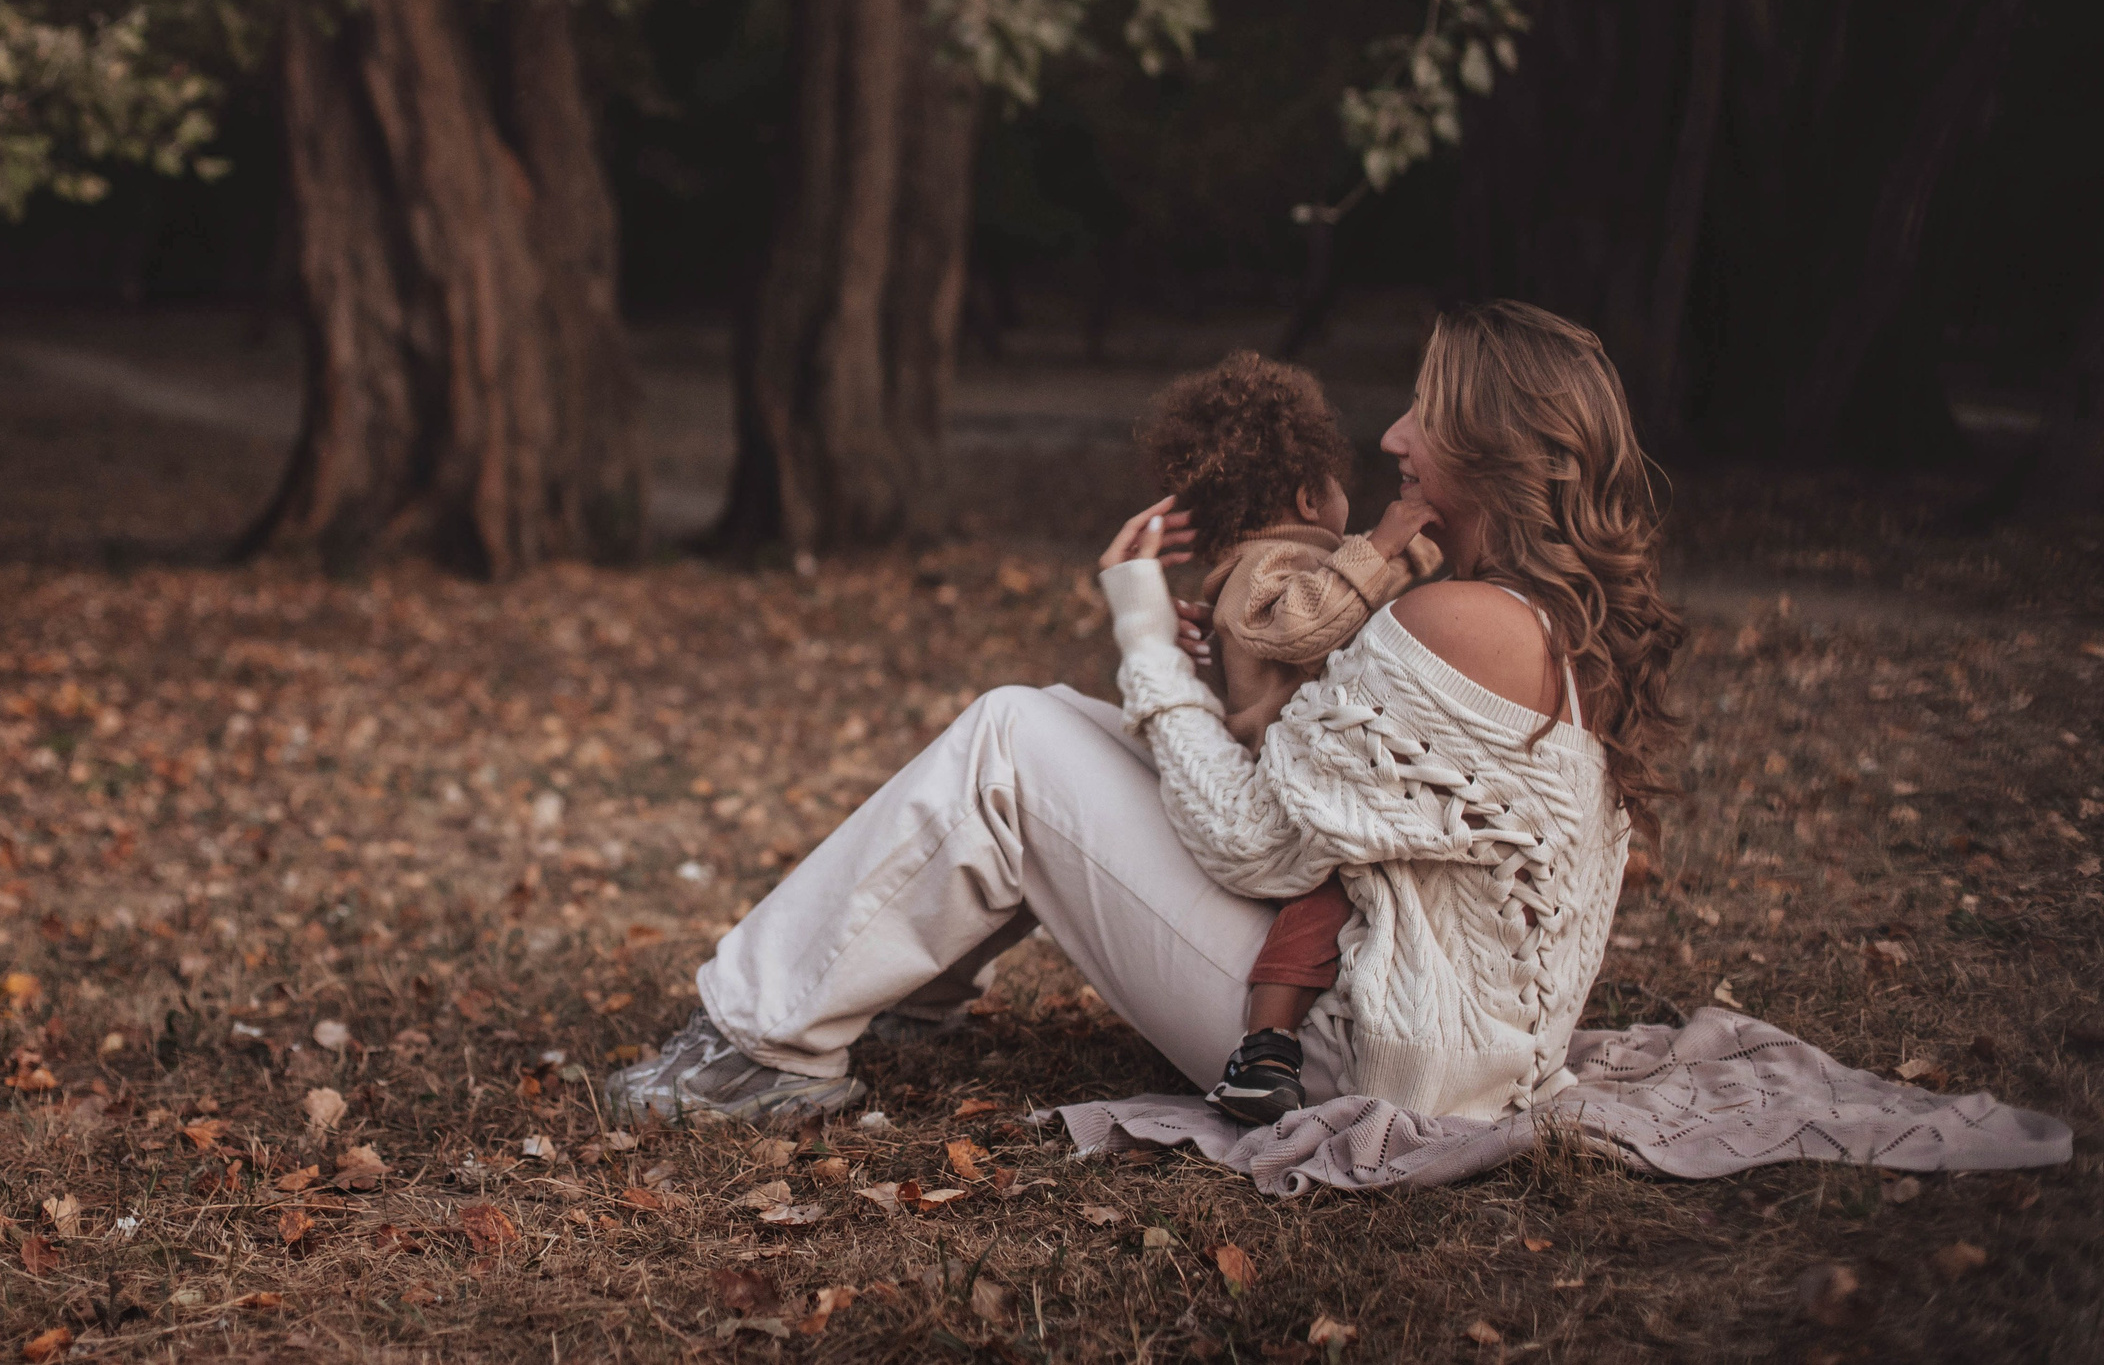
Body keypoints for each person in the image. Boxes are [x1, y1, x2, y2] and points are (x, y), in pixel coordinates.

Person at [606, 302, 1684, 1129]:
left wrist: (1144, 637)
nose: (1395, 436)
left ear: (1496, 447)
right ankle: (904, 990)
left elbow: (1254, 841)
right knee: (1056, 718)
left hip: (1359, 1053)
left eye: (1427, 415)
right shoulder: (1550, 623)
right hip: (1447, 1045)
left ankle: (753, 1048)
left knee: (1011, 741)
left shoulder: (1460, 622)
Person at [1136, 351, 1441, 1124]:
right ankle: (1265, 1047)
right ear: (1309, 494)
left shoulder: (1299, 563)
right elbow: (1302, 623)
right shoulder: (1272, 564)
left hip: (1318, 770)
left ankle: (1281, 1035)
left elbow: (1359, 593)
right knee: (1321, 902)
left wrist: (1418, 545)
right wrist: (1382, 544)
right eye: (1339, 487)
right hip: (1292, 786)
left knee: (1335, 900)